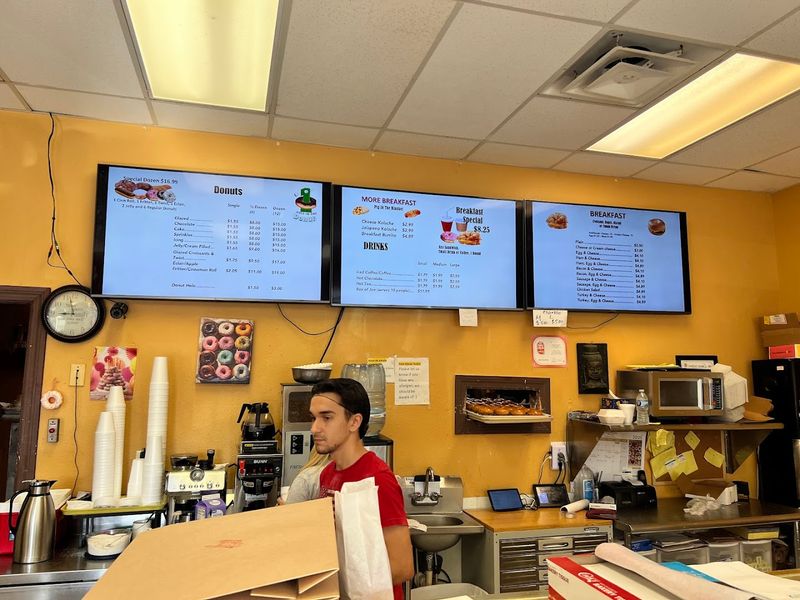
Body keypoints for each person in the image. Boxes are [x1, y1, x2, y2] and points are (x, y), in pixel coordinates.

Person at [310, 378, 413, 599]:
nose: (314, 428)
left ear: (354, 422)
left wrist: (341, 582)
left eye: (326, 418)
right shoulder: (327, 474)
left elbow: (403, 567)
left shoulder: (377, 479)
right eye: (314, 418)